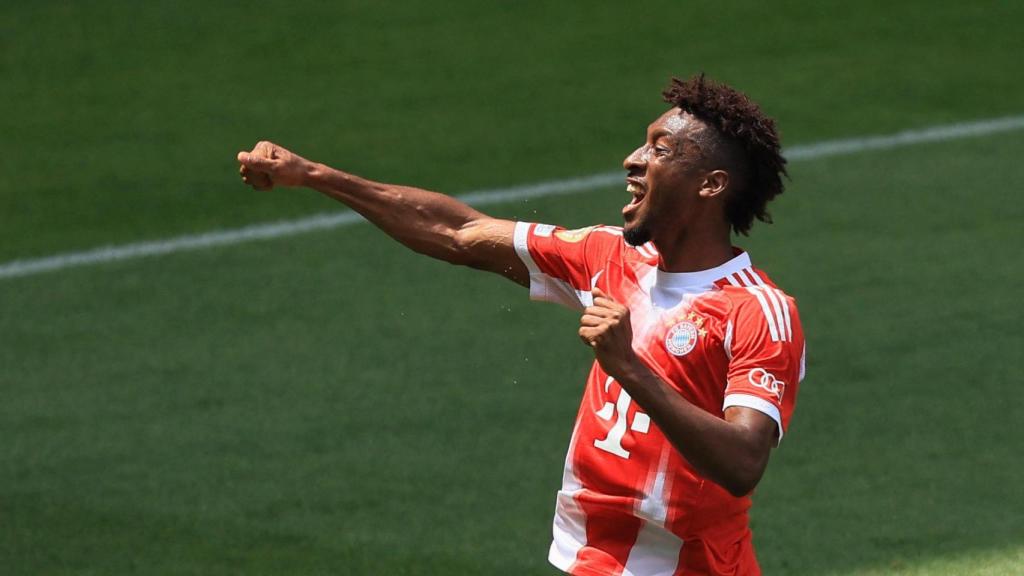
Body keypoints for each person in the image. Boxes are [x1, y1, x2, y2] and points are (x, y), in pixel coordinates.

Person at [237, 74, 805, 576]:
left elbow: (742, 462)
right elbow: (460, 233)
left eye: (660, 149)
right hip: (594, 556)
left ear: (710, 184)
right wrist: (312, 175)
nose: (633, 160)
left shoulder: (757, 311)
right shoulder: (609, 257)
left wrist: (630, 367)